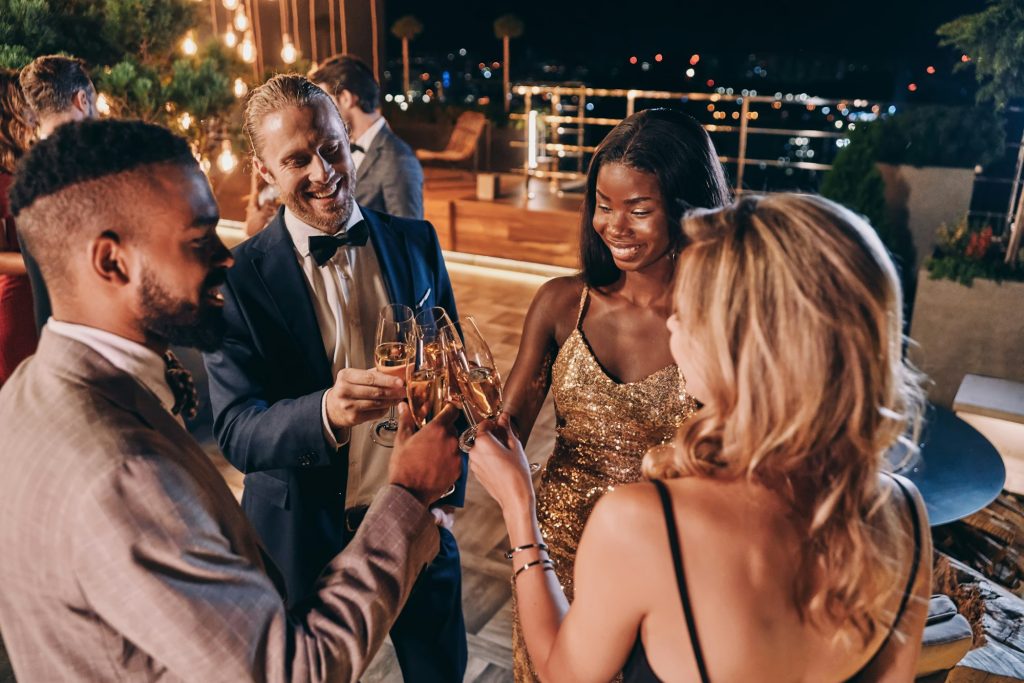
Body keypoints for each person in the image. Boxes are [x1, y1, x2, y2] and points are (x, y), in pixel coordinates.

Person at [0, 118, 463, 682]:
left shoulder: (26, 389)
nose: (224, 259)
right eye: (199, 240)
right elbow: (293, 671)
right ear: (111, 262)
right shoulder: (123, 475)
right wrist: (410, 495)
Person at [471, 193, 932, 681]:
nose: (671, 323)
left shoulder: (646, 523)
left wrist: (519, 508)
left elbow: (562, 674)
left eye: (687, 309)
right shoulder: (903, 512)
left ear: (743, 348)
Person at [203, 74, 466, 683]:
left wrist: (447, 500)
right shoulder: (237, 280)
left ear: (349, 138)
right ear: (263, 171)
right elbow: (237, 432)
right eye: (297, 160)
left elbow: (453, 378)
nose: (323, 172)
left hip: (420, 522)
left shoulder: (416, 242)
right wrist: (324, 411)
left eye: (330, 147)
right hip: (300, 539)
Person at [498, 108, 730, 679]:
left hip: (666, 563)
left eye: (639, 209)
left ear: (688, 210)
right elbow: (504, 431)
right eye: (603, 205)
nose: (614, 225)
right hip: (552, 554)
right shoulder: (561, 303)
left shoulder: (718, 326)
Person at [17, 54, 98, 334]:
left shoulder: (25, 178)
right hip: (100, 337)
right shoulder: (94, 169)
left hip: (52, 336)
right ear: (82, 100)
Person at [310, 54, 424, 219]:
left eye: (324, 103)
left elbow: (409, 235)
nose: (320, 114)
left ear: (346, 98)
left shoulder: (398, 158)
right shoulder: (339, 148)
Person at [0, 69, 37, 387]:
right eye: (27, 108)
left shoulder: (27, 171)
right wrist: (41, 265)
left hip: (41, 298)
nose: (33, 117)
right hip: (16, 303)